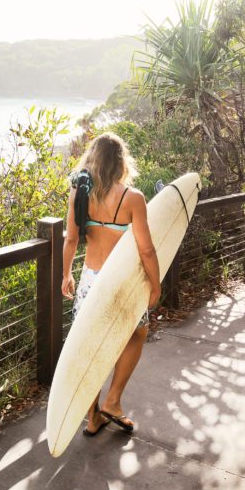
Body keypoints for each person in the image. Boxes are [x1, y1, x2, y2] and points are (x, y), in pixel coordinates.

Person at [61, 132, 161, 436]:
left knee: (89, 346)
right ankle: (113, 401)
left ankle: (93, 417)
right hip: (122, 281)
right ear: (121, 162)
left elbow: (71, 239)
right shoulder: (132, 198)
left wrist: (66, 275)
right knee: (137, 333)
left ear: (92, 159)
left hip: (91, 280)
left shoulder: (80, 194)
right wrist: (155, 285)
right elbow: (146, 249)